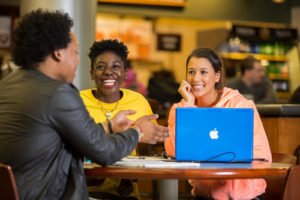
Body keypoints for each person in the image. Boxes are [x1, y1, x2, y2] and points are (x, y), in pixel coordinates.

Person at [0, 9, 169, 200]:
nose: (78, 61)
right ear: (58, 53)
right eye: (75, 53)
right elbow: (104, 152)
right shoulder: (58, 93)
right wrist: (137, 131)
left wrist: (110, 126)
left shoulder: (6, 85)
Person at [164, 48, 271, 200]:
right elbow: (173, 151)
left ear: (217, 76)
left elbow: (263, 157)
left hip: (244, 196)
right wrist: (189, 109)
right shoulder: (180, 109)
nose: (196, 78)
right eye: (191, 72)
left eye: (203, 72)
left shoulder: (240, 106)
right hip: (203, 196)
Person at [80, 39, 154, 199]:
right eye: (100, 66)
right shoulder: (77, 102)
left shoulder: (139, 102)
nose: (108, 72)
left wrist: (131, 177)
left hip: (126, 196)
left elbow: (146, 155)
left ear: (125, 73)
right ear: (91, 73)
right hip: (85, 193)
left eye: (116, 66)